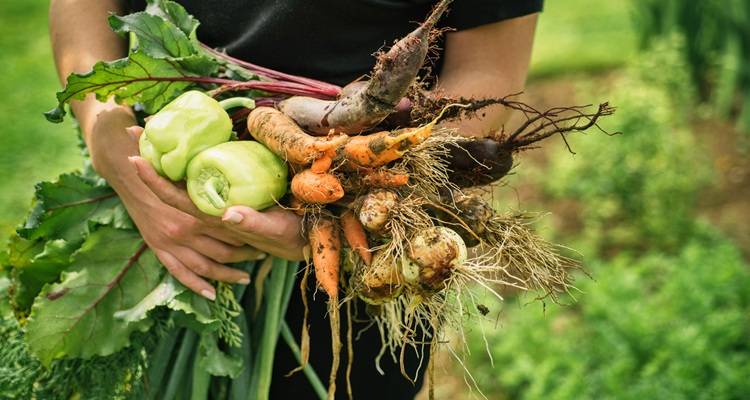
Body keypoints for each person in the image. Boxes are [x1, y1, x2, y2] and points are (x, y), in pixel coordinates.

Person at [49, 1, 541, 398]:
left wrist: (348, 200)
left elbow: (489, 71)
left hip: (369, 245)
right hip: (159, 210)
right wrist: (104, 133)